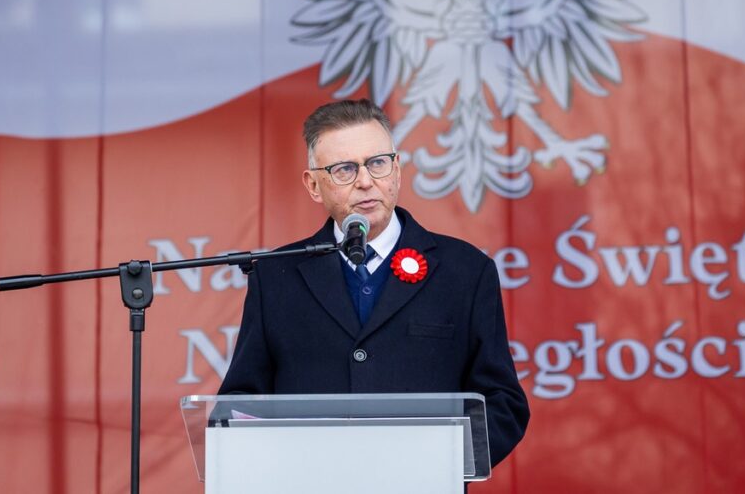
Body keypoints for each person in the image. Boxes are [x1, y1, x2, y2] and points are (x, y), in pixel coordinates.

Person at [218, 99, 529, 467]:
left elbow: (502, 404)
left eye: (377, 163)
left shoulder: (466, 271)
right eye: (344, 169)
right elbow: (241, 401)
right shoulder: (276, 276)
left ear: (397, 170)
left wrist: (435, 462)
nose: (366, 182)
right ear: (314, 185)